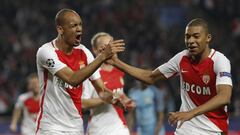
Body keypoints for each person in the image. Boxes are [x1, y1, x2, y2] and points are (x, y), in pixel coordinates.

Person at [109, 18, 232, 135]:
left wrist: (190, 113)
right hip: (186, 128)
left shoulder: (219, 61)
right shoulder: (182, 58)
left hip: (212, 129)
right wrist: (116, 63)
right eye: (187, 37)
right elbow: (150, 77)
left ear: (208, 38)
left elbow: (224, 97)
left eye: (196, 36)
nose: (190, 41)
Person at [35, 9, 127, 135]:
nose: (79, 29)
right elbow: (73, 79)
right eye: (73, 26)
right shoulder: (46, 52)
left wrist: (113, 97)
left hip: (76, 127)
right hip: (51, 126)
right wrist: (102, 57)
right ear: (60, 29)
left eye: (80, 24)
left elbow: (102, 91)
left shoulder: (84, 52)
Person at [81, 32, 134, 135]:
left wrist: (127, 101)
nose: (109, 49)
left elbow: (120, 94)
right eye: (104, 47)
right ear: (95, 50)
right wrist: (108, 99)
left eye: (111, 45)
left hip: (120, 128)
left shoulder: (119, 71)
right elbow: (82, 104)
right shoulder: (89, 74)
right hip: (98, 130)